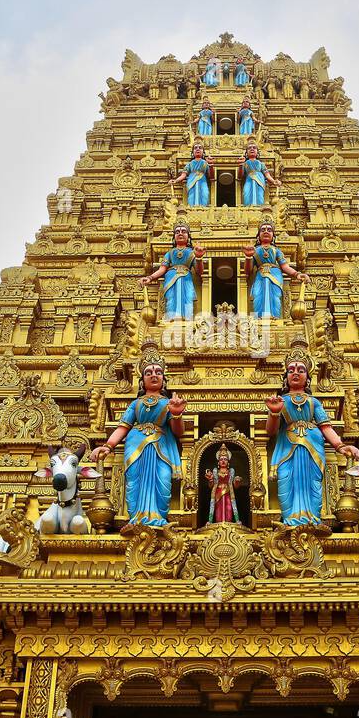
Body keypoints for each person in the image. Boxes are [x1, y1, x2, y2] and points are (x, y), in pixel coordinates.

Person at [89, 344, 185, 527]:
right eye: (148, 373)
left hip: (161, 445)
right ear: (142, 381)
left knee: (163, 480)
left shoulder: (168, 403)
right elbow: (122, 427)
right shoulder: (136, 404)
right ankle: (136, 519)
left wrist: (177, 413)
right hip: (135, 444)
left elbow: (178, 432)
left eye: (158, 372)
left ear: (164, 379)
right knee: (134, 481)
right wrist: (107, 446)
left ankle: (158, 519)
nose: (154, 375)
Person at [266, 343, 359, 525]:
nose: (295, 373)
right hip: (287, 448)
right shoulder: (280, 401)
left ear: (308, 378)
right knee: (287, 482)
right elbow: (270, 431)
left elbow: (326, 428)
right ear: (285, 377)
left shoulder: (313, 402)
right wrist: (274, 412)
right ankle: (291, 520)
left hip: (312, 446)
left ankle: (312, 519)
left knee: (312, 484)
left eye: (301, 370)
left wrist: (341, 446)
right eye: (291, 370)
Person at [140, 223, 203, 320]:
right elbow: (162, 269)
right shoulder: (169, 253)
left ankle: (186, 319)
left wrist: (199, 258)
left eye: (184, 231)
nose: (180, 233)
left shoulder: (191, 252)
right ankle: (171, 318)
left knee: (187, 299)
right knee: (171, 298)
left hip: (186, 278)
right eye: (177, 232)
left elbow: (199, 271)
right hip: (171, 277)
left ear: (188, 236)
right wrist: (150, 278)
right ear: (174, 237)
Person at [244, 221, 306, 318]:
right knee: (258, 295)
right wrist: (248, 257)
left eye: (269, 230)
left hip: (274, 274)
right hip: (260, 276)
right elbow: (248, 270)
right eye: (263, 230)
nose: (266, 231)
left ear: (273, 236)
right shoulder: (255, 250)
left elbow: (285, 266)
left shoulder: (276, 251)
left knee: (275, 297)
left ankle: (274, 318)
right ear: (258, 236)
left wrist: (297, 274)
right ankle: (259, 318)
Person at [205, 444, 242, 525]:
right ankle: (213, 522)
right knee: (218, 510)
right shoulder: (215, 471)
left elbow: (235, 486)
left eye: (225, 459)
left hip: (228, 492)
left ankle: (232, 522)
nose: (223, 461)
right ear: (218, 461)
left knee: (229, 508)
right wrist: (210, 480)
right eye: (221, 459)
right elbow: (211, 485)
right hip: (217, 493)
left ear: (228, 461)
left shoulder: (231, 471)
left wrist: (237, 481)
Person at [170, 142, 212, 207]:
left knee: (204, 194)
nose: (198, 149)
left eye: (200, 148)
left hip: (203, 181)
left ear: (203, 152)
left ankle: (203, 207)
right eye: (195, 148)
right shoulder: (189, 164)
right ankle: (192, 207)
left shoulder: (205, 163)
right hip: (191, 181)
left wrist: (211, 166)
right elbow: (183, 175)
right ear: (192, 152)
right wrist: (175, 180)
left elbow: (210, 175)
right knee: (192, 195)